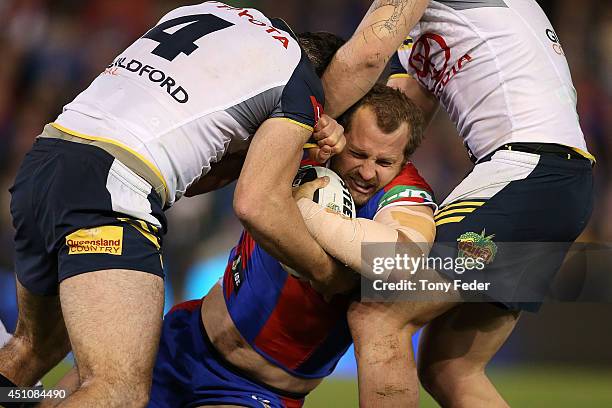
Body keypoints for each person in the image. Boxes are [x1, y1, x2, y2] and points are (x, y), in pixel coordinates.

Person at [0, 3, 349, 407]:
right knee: (117, 390)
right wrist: (331, 277)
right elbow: (256, 204)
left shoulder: (210, 14)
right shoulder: (300, 82)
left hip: (47, 160)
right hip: (112, 192)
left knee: (32, 347)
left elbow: (192, 171)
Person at [314, 0, 595, 406]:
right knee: (449, 367)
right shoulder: (427, 28)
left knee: (379, 313)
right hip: (553, 180)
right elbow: (400, 119)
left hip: (526, 170)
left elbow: (367, 56)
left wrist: (300, 132)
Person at [148, 84, 436, 408]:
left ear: (404, 161)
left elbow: (404, 263)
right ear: (341, 135)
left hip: (253, 391)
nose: (367, 172)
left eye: (384, 162)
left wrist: (300, 210)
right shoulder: (309, 142)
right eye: (358, 153)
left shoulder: (407, 197)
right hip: (184, 338)